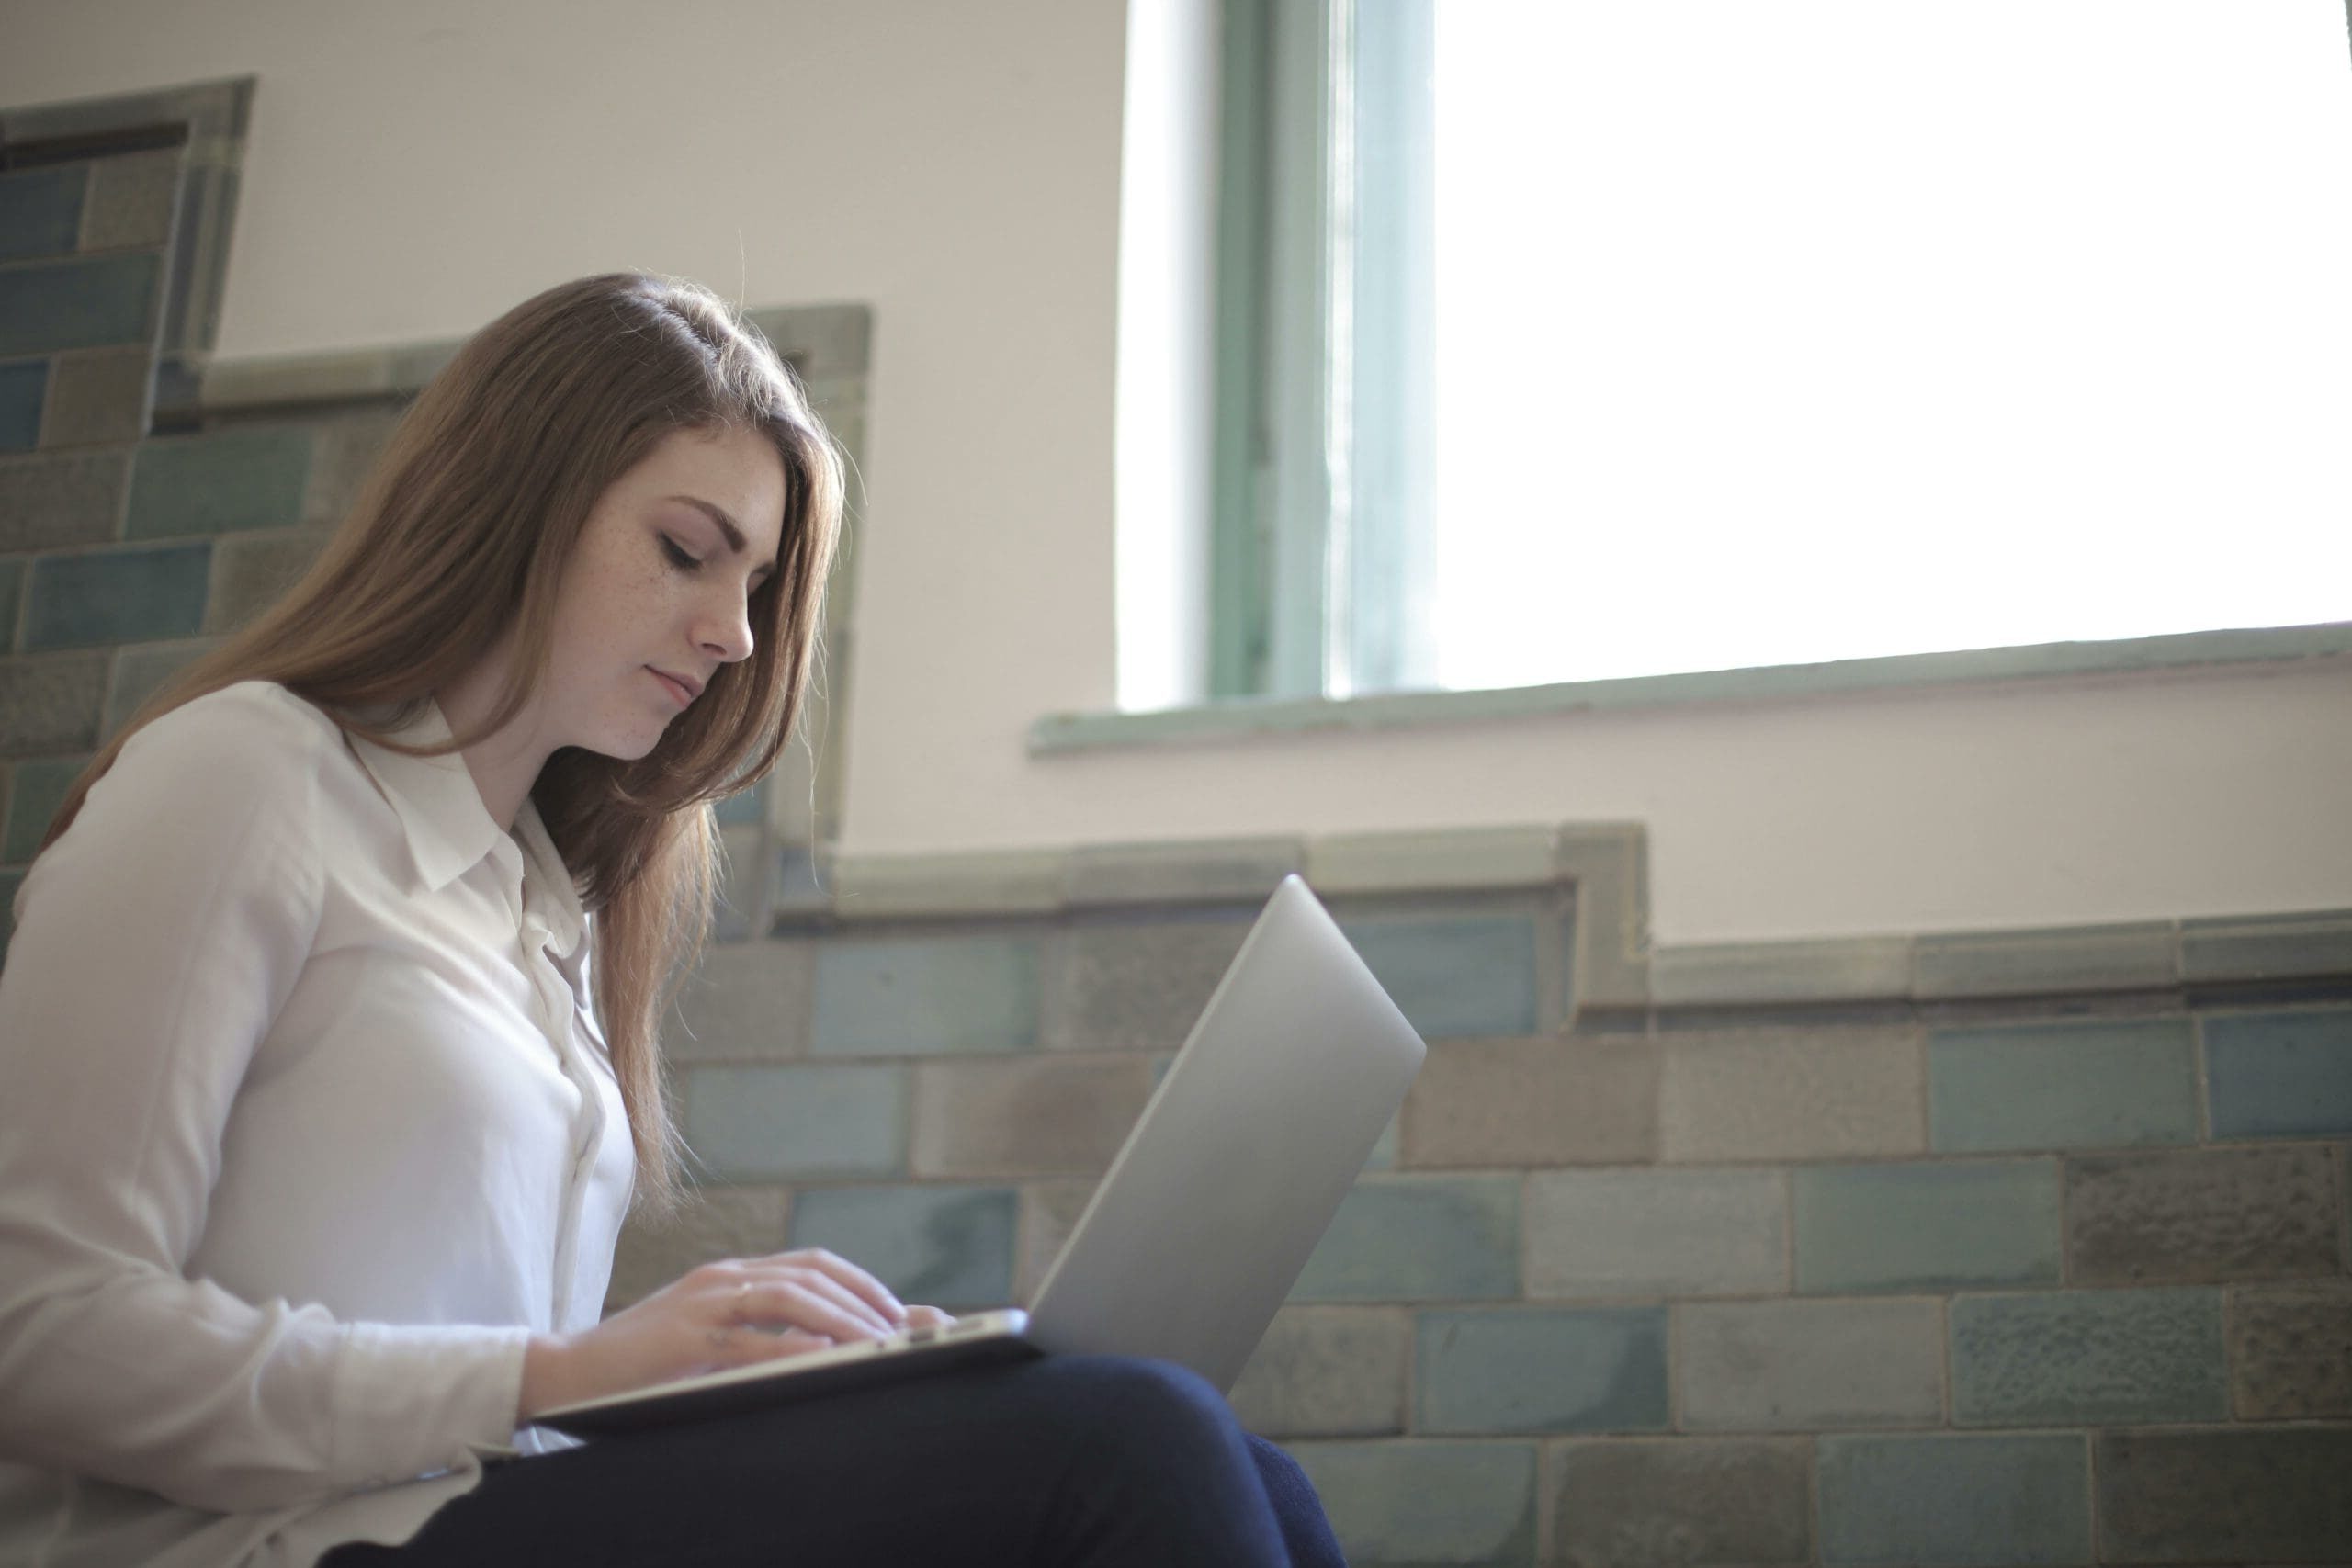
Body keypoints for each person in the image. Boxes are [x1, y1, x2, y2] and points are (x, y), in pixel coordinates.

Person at [0, 273, 1347, 1568]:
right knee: (1126, 1445)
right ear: (510, 504)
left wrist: (768, 1376)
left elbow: (490, 1403)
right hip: (258, 1547)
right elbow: (38, 1331)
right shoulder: (242, 778)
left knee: (1231, 1458)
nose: (737, 637)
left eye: (755, 585)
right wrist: (565, 1372)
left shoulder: (539, 908)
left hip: (460, 1516)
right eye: (687, 553)